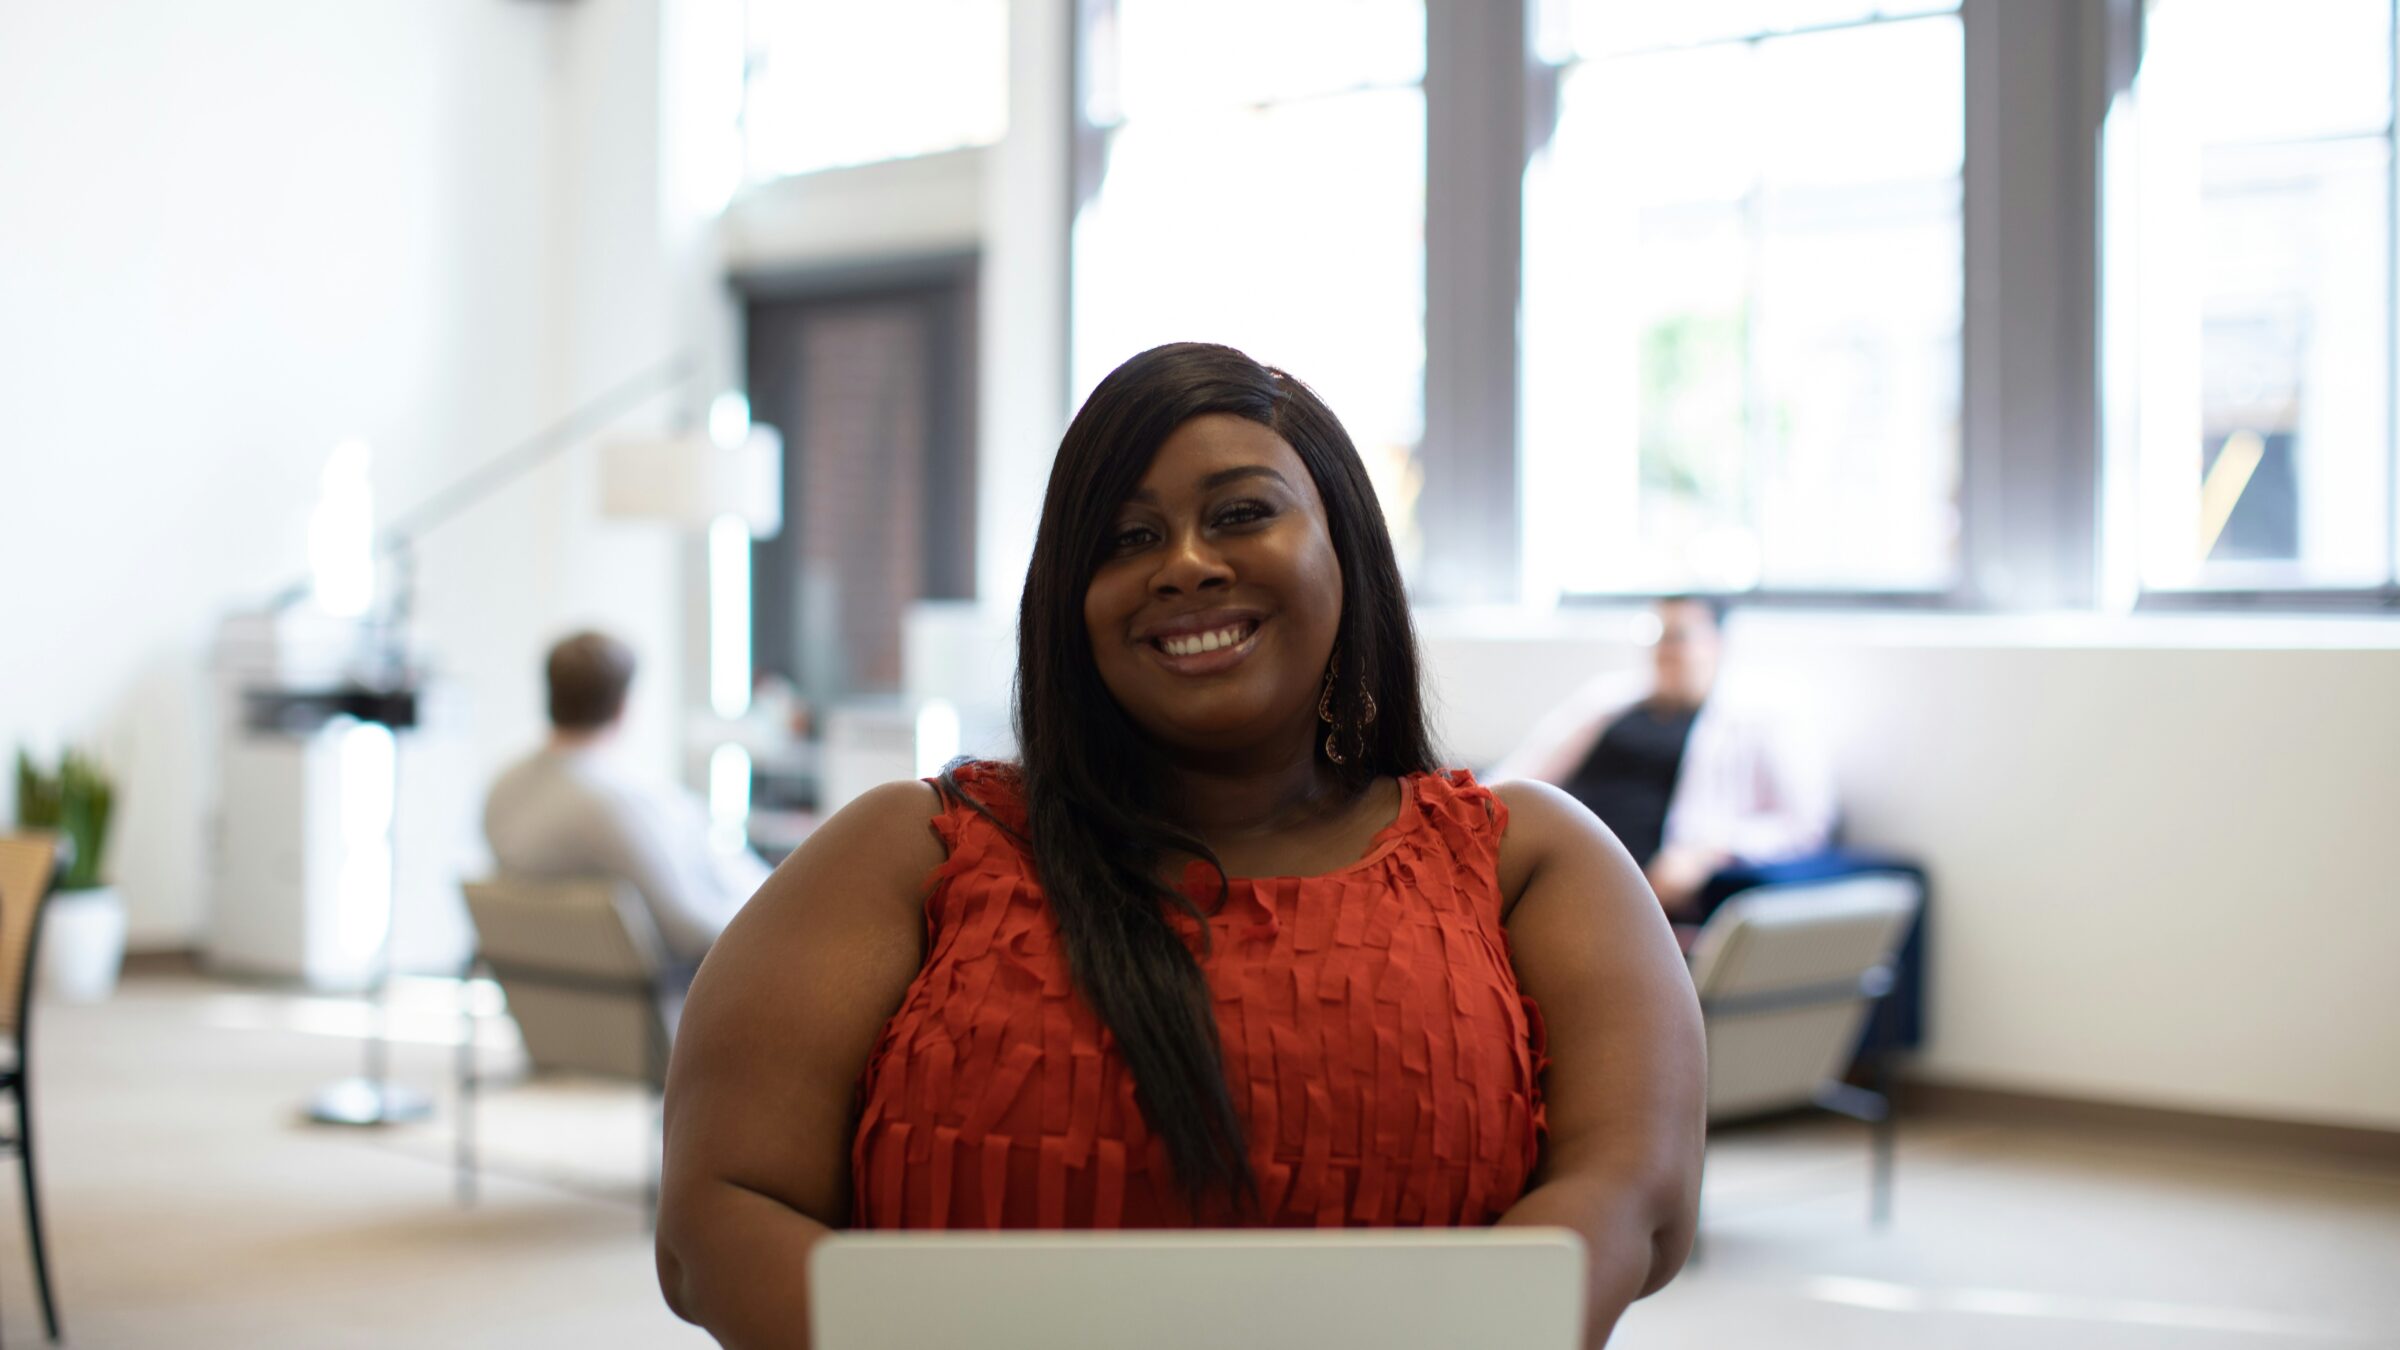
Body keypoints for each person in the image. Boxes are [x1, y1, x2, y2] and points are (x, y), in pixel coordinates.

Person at [655, 344, 1704, 1349]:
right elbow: (720, 1214)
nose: (1187, 566)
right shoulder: (913, 852)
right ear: (1070, 601)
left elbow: (1634, 1194)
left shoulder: (1528, 863)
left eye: (1241, 514)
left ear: (1346, 546)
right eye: (1125, 538)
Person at [1490, 597, 1835, 922]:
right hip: (1548, 858)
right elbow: (1523, 771)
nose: (1664, 650)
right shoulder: (1609, 702)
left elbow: (1805, 825)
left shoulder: (1759, 719)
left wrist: (1706, 853)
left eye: (1678, 637)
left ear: (1716, 644)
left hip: (1630, 887)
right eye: (1655, 636)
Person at [482, 631, 772, 972]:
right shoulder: (615, 806)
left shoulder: (503, 788)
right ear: (623, 705)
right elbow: (687, 927)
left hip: (563, 992)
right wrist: (777, 928)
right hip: (675, 994)